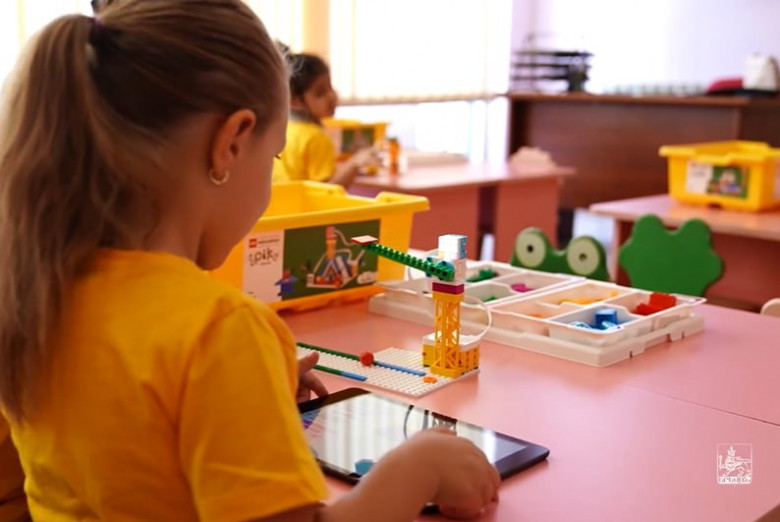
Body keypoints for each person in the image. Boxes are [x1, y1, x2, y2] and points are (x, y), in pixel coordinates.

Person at [0, 1, 500, 521]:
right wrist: (418, 468)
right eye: (274, 155)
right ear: (232, 143)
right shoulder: (221, 330)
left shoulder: (36, 291)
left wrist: (240, 395)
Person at [273, 47, 377, 187]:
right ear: (295, 101)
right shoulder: (316, 138)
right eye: (320, 93)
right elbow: (327, 191)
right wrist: (355, 163)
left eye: (330, 87)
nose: (331, 96)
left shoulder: (283, 129)